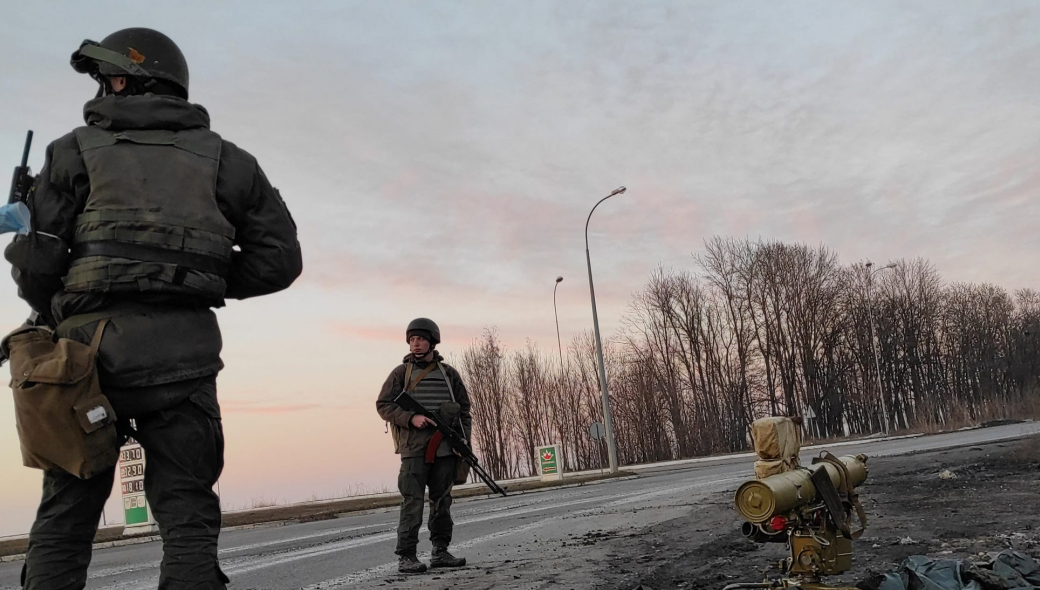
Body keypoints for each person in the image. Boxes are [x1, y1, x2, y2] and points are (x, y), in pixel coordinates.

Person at [4, 28, 302, 590]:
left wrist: (65, 307)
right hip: (185, 360)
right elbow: (280, 261)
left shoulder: (71, 150)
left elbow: (36, 261)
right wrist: (193, 281)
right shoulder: (231, 161)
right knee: (188, 517)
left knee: (66, 519)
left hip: (84, 363)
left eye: (107, 76)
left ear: (126, 79)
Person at [376, 318, 471, 573]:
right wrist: (410, 417)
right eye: (411, 340)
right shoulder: (400, 374)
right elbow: (383, 405)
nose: (415, 344)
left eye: (420, 339)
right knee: (412, 502)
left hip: (444, 449)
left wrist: (463, 443)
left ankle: (440, 551)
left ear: (432, 341)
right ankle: (406, 556)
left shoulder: (448, 374)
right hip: (414, 449)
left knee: (442, 501)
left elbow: (464, 411)